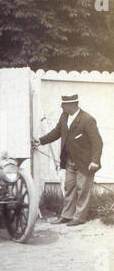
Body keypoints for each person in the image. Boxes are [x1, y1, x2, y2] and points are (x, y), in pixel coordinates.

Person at [35, 94, 103, 226]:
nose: (61, 107)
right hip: (69, 160)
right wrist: (40, 141)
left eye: (64, 105)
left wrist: (95, 161)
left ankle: (79, 218)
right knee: (69, 188)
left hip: (85, 162)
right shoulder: (64, 116)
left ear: (73, 105)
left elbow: (98, 143)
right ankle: (67, 216)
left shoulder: (87, 119)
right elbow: (56, 132)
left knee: (82, 189)